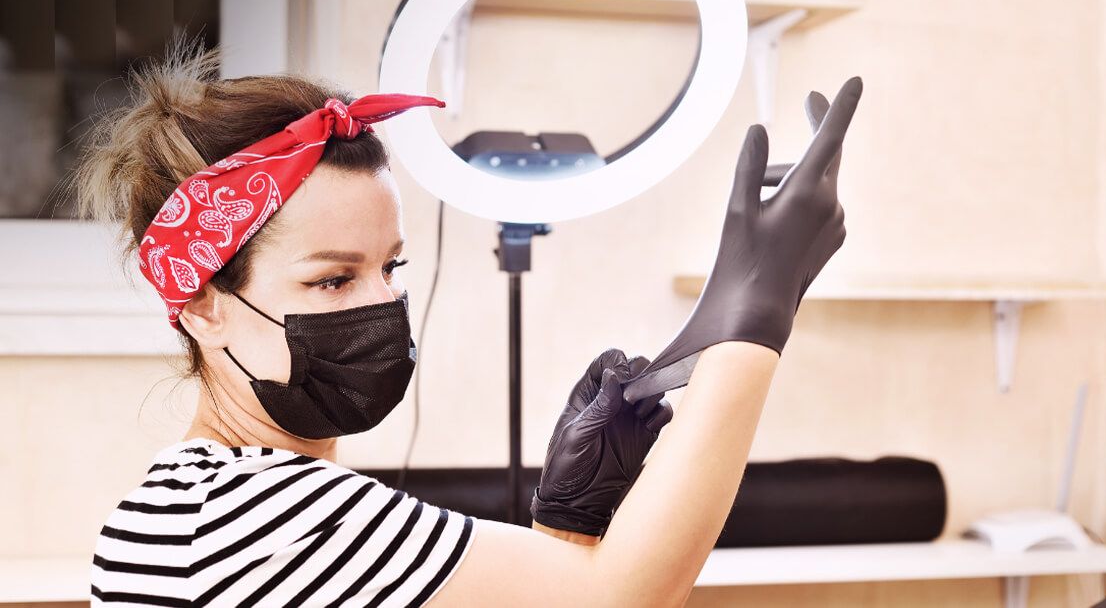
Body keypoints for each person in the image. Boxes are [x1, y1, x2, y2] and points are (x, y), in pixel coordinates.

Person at [78, 41, 859, 606]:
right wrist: (757, 316)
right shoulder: (267, 515)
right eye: (332, 279)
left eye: (392, 269)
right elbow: (623, 601)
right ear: (203, 307)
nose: (378, 305)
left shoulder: (181, 501)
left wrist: (570, 520)